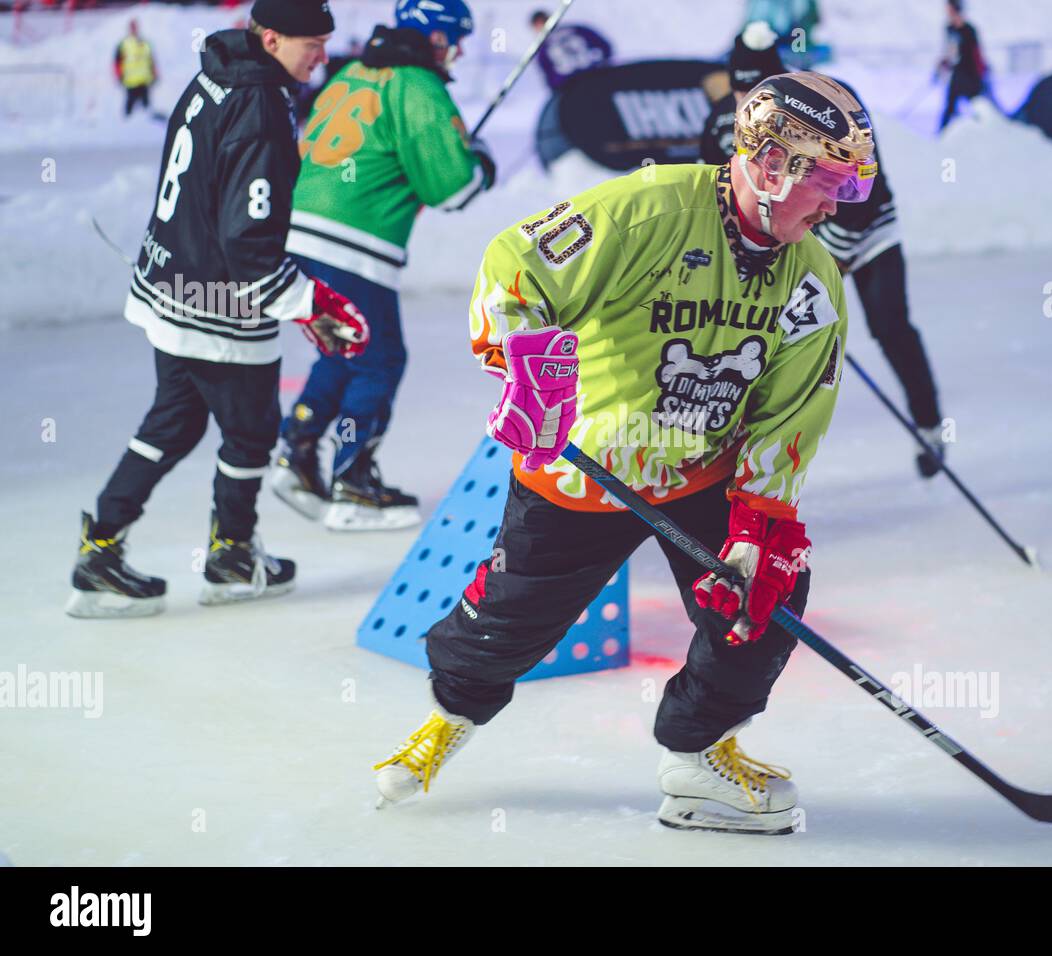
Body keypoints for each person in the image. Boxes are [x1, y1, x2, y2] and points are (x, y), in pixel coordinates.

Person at [372, 73, 876, 835]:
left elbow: (791, 411)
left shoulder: (813, 276)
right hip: (583, 468)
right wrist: (533, 372)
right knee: (503, 628)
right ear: (772, 165)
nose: (839, 204)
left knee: (764, 604)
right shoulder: (648, 209)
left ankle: (696, 753)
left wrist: (759, 524)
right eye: (831, 180)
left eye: (852, 183)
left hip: (702, 472)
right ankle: (448, 720)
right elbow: (514, 270)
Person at [68, 0, 371, 619]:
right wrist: (308, 301)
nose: (321, 55)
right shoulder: (259, 104)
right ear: (270, 37)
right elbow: (247, 237)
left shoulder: (216, 72)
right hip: (218, 307)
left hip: (170, 285)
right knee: (252, 430)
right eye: (310, 43)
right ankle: (232, 558)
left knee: (174, 422)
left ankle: (101, 548)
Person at [274, 0, 494, 532]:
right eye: (454, 38)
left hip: (301, 231)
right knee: (380, 359)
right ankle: (353, 479)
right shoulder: (419, 87)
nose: (458, 50)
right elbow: (451, 188)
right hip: (352, 242)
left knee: (344, 348)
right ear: (435, 38)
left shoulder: (355, 70)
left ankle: (296, 451)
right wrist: (479, 160)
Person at [703, 23, 946, 476]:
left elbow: (860, 197)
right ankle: (736, 443)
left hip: (867, 230)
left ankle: (930, 425)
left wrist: (826, 263)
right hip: (797, 238)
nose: (744, 102)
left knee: (890, 326)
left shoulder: (828, 105)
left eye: (755, 89)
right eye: (739, 91)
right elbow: (720, 193)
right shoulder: (724, 119)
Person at [936, 0, 993, 132]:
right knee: (950, 107)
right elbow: (949, 51)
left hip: (970, 74)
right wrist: (942, 64)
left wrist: (982, 74)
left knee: (977, 106)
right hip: (957, 74)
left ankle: (985, 132)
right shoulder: (949, 29)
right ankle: (943, 136)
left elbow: (976, 54)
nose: (947, 12)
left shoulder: (969, 30)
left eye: (949, 9)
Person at [528, 8, 613, 91]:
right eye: (538, 24)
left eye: (544, 21)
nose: (542, 25)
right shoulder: (543, 49)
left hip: (598, 76)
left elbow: (604, 47)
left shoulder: (577, 30)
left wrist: (601, 63)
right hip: (575, 88)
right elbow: (550, 78)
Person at [114, 18, 156, 117]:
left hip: (144, 80)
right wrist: (119, 75)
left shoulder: (145, 43)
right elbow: (117, 62)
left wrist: (154, 74)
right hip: (131, 81)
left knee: (146, 109)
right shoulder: (124, 44)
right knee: (129, 109)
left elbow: (150, 61)